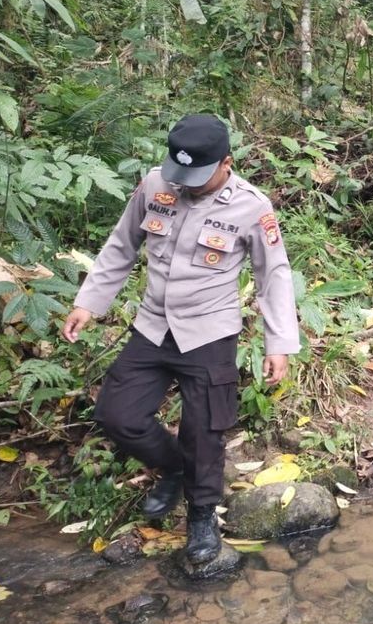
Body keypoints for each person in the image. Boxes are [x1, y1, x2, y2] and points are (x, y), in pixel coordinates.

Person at [61, 114, 299, 566]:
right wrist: (89, 303)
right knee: (117, 414)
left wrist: (278, 342)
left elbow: (274, 275)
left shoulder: (252, 206)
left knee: (204, 432)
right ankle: (172, 467)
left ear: (226, 163)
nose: (185, 185)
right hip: (152, 325)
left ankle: (202, 515)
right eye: (180, 174)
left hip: (209, 333)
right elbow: (120, 245)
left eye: (198, 177)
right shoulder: (155, 184)